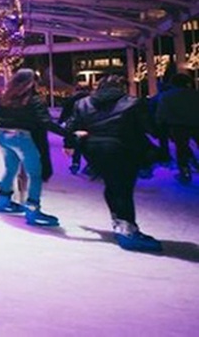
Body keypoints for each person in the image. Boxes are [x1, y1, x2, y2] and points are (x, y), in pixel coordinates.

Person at [65, 75, 162, 251]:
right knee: (123, 189)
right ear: (122, 87)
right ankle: (127, 231)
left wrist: (71, 143)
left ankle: (120, 224)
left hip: (94, 150)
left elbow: (72, 127)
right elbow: (150, 128)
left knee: (112, 186)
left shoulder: (83, 103)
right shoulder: (133, 102)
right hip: (123, 150)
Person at [0, 69, 70, 227]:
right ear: (31, 82)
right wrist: (67, 134)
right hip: (21, 138)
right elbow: (45, 122)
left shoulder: (5, 98)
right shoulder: (34, 100)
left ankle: (3, 202)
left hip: (3, 137)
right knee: (35, 174)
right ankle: (32, 210)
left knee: (10, 169)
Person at [156, 73, 199, 184]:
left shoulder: (166, 96)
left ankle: (185, 172)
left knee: (181, 149)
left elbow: (161, 113)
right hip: (196, 124)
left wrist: (160, 123)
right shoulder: (195, 94)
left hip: (178, 126)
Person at [58, 85, 91, 175]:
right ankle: (90, 164)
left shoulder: (71, 99)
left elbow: (65, 112)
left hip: (74, 125)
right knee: (86, 144)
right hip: (88, 124)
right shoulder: (91, 99)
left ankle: (75, 163)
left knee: (76, 144)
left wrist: (61, 122)